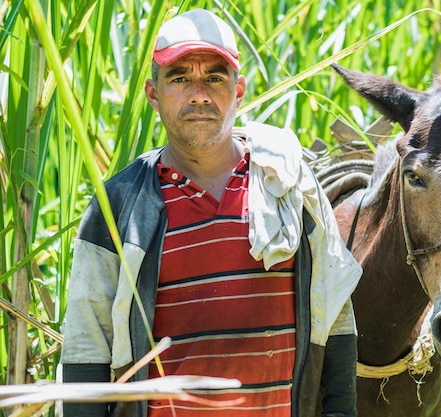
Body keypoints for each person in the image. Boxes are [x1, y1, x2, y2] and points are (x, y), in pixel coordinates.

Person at [60, 8, 362, 417]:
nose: (199, 93)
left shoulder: (289, 187)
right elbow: (86, 346)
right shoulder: (119, 208)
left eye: (215, 78)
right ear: (153, 93)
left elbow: (335, 313)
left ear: (238, 92)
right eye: (180, 78)